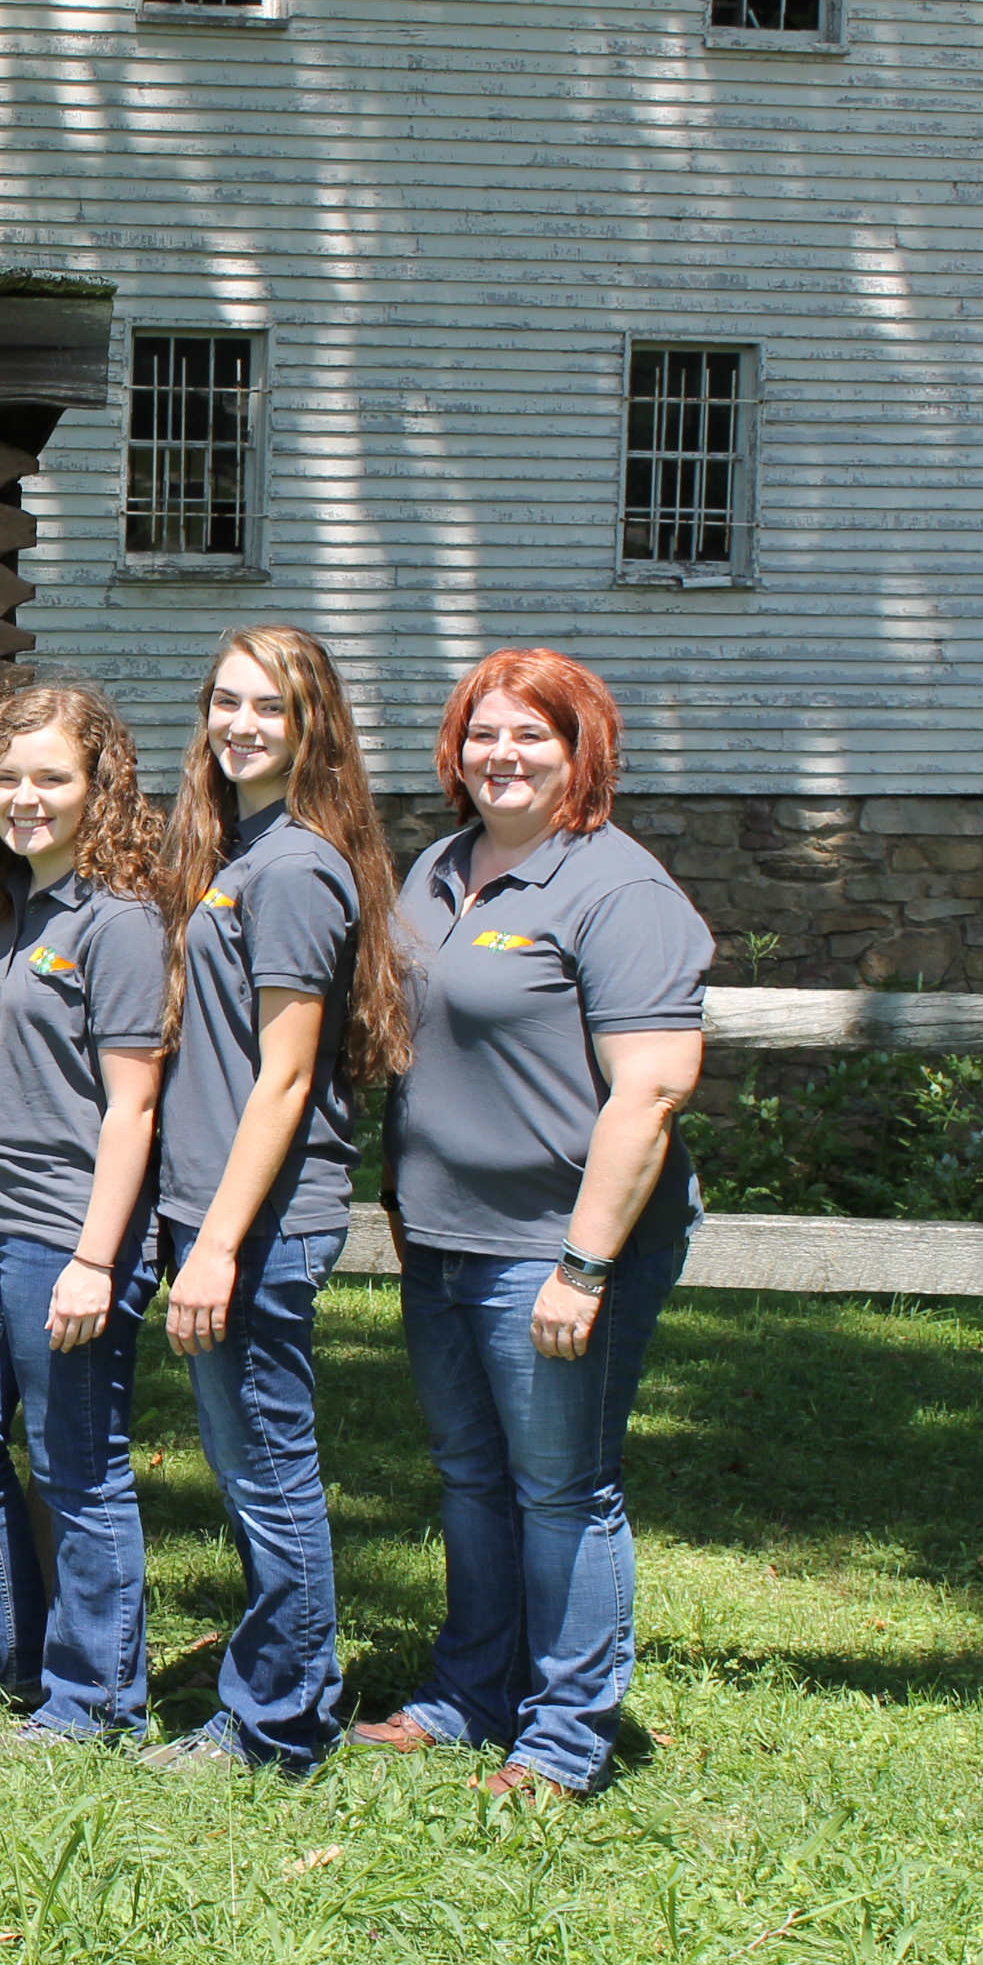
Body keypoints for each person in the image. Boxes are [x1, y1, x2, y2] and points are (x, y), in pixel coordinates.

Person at [352, 649, 709, 1801]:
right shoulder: (440, 869)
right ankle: (471, 1692)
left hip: (556, 1252)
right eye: (481, 735)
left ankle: (564, 1736)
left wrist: (584, 1262)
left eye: (531, 737)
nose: (501, 756)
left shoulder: (618, 890)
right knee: (470, 1476)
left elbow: (649, 1090)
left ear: (580, 752)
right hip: (443, 1240)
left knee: (563, 1488)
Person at [145, 623, 415, 1773]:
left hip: (253, 1226)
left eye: (269, 708)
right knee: (253, 1467)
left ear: (312, 729)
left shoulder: (297, 866)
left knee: (269, 1476)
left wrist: (214, 1246)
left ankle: (279, 1722)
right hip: (212, 1211)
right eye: (225, 700)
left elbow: (288, 1075)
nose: (241, 724)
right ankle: (277, 1700)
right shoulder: (238, 854)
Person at [0, 685, 171, 1744]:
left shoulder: (121, 923)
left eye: (51, 776)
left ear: (97, 787)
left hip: (70, 1229)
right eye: (7, 777)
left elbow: (134, 1105)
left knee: (76, 1463)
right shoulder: (8, 908)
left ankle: (96, 1696)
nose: (26, 797)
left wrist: (97, 1260)